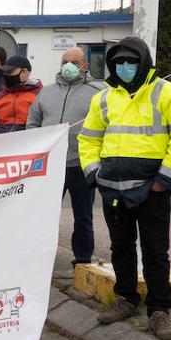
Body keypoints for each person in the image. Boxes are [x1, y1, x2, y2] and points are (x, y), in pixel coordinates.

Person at [79, 35, 171, 340]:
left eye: (131, 62)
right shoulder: (104, 98)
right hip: (113, 190)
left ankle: (159, 311)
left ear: (143, 62)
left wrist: (163, 181)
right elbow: (88, 138)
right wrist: (94, 174)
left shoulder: (169, 93)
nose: (125, 67)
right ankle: (126, 299)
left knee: (156, 251)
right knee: (121, 247)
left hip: (152, 189)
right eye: (119, 63)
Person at [27, 48, 105, 265]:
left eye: (75, 62)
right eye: (65, 62)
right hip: (50, 165)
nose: (69, 66)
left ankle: (82, 258)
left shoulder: (98, 92)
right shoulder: (47, 92)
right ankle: (39, 255)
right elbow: (33, 121)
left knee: (83, 216)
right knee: (43, 213)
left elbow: (108, 125)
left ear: (85, 66)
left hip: (81, 164)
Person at [0, 56, 42, 135]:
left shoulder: (41, 95)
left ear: (24, 73)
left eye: (10, 72)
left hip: (31, 144)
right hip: (2, 145)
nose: (6, 75)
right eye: (5, 72)